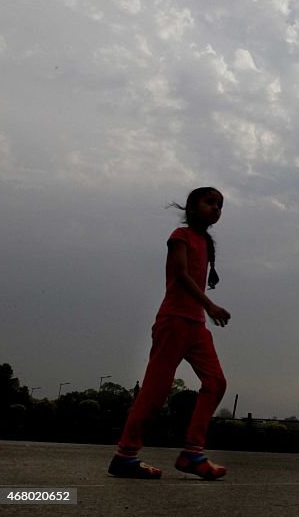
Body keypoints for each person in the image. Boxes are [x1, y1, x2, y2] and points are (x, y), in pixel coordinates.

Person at [108, 187, 231, 480]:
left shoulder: (204, 242)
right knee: (156, 390)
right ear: (191, 207)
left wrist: (205, 310)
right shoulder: (181, 236)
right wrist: (210, 305)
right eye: (209, 202)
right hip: (174, 321)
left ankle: (192, 453)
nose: (215, 208)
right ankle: (124, 456)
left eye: (220, 204)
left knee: (215, 383)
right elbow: (180, 274)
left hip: (195, 326)